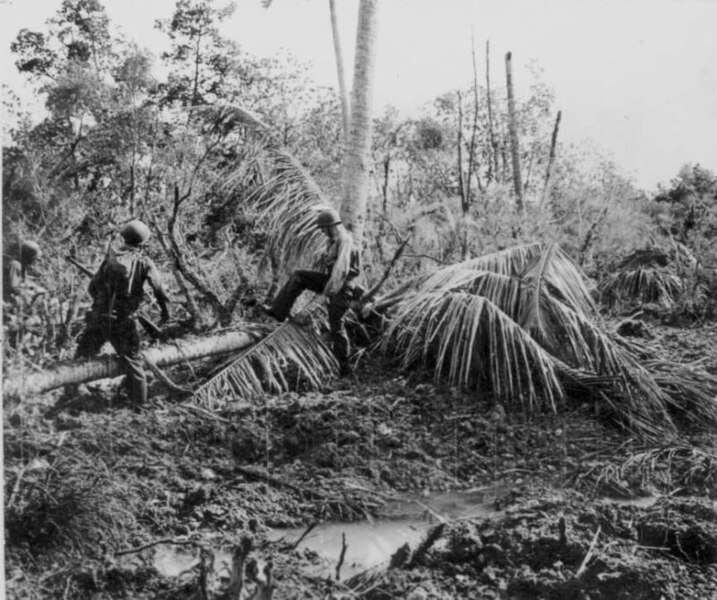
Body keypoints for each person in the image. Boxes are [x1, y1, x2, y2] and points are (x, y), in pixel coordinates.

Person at [75, 219, 170, 406]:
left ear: (124, 238)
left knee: (81, 357)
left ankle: (70, 396)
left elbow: (92, 287)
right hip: (123, 321)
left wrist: (102, 304)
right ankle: (139, 408)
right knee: (135, 363)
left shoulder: (110, 258)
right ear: (143, 242)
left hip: (98, 317)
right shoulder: (145, 262)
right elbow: (159, 290)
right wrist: (166, 313)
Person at [263, 207, 362, 375]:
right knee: (298, 276)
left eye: (324, 228)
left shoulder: (345, 240)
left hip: (343, 287)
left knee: (336, 325)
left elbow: (341, 272)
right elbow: (330, 266)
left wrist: (325, 295)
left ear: (332, 226)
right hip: (331, 280)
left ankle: (346, 369)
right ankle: (278, 311)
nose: (323, 232)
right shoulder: (333, 240)